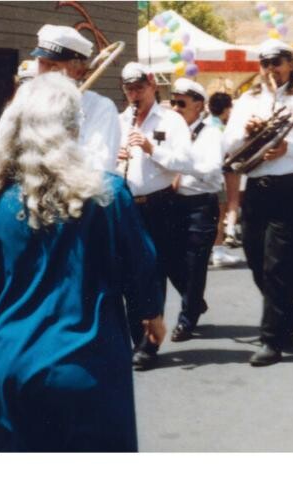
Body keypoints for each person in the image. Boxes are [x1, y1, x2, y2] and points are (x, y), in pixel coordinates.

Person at [0, 73, 165, 452]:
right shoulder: (108, 192)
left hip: (15, 363)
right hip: (90, 362)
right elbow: (140, 264)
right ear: (74, 129)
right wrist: (151, 312)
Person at [222, 39, 293, 366]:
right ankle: (288, 313)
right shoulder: (248, 100)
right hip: (256, 187)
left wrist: (291, 149)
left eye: (277, 62)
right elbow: (227, 144)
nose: (271, 69)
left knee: (279, 263)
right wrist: (246, 133)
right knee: (256, 257)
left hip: (292, 187)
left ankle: (270, 339)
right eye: (265, 63)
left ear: (290, 64)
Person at [114, 64, 202, 369]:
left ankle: (149, 344)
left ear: (152, 86)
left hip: (160, 204)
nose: (134, 94)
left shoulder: (171, 120)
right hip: (126, 203)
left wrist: (152, 149)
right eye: (129, 88)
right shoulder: (120, 120)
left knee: (154, 272)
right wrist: (115, 158)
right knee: (128, 273)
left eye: (139, 87)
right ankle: (135, 338)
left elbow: (187, 162)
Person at [162, 77, 225, 344]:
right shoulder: (167, 130)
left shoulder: (210, 133)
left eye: (181, 103)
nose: (175, 108)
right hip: (172, 203)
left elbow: (210, 169)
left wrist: (179, 164)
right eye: (173, 103)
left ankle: (187, 320)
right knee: (168, 260)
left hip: (199, 203)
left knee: (195, 264)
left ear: (198, 105)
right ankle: (195, 301)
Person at [31, 24, 121, 174]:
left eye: (53, 65)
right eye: (41, 62)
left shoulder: (101, 107)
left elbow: (102, 167)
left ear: (78, 71)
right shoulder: (30, 103)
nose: (44, 72)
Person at [205, 91, 244, 266]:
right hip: (219, 174)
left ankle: (212, 250)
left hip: (203, 177)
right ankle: (220, 249)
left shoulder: (204, 124)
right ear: (227, 108)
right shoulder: (222, 129)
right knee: (221, 212)